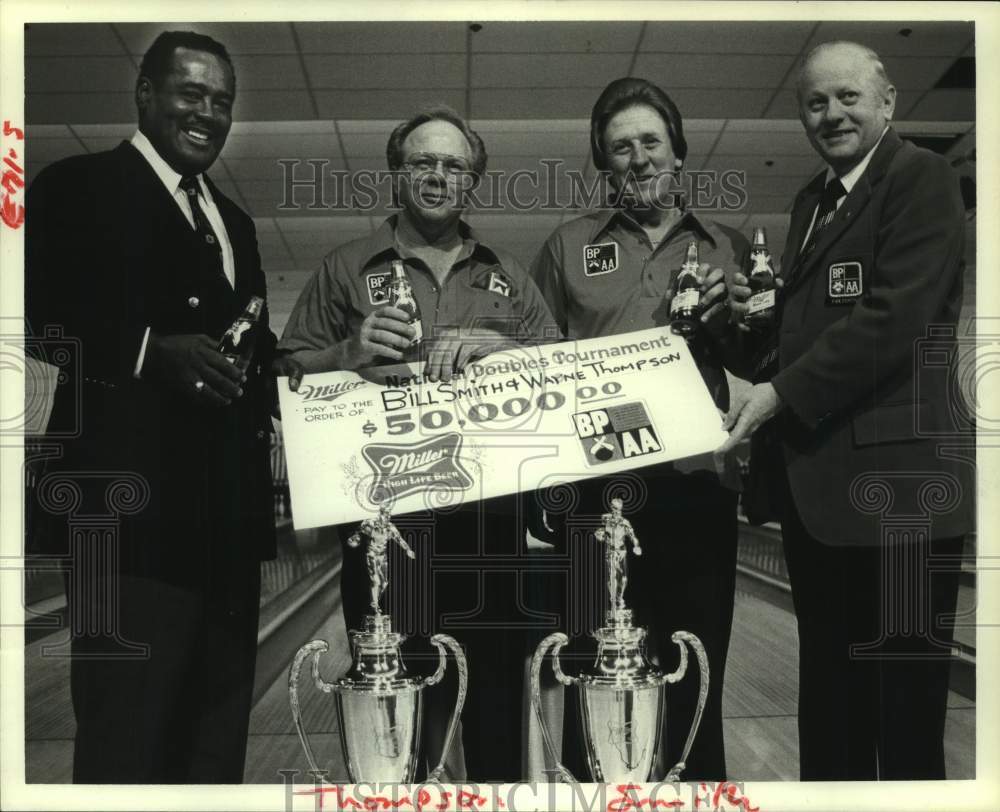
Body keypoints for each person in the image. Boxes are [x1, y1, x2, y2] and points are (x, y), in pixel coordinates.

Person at [25, 30, 299, 783]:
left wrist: (333, 369)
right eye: (190, 93)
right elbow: (38, 311)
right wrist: (150, 348)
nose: (207, 113)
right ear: (145, 93)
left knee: (213, 747)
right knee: (127, 739)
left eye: (222, 102)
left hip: (229, 526)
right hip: (124, 522)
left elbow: (251, 354)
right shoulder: (73, 187)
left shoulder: (234, 223)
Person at [276, 106, 558, 780]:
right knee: (395, 723)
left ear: (473, 181)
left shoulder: (510, 276)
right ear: (397, 174)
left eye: (454, 165)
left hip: (491, 532)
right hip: (383, 539)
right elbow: (283, 375)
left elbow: (564, 372)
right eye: (423, 162)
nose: (438, 175)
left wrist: (506, 347)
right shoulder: (346, 268)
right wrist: (346, 350)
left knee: (493, 711)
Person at [722, 41, 974, 780]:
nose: (830, 114)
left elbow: (893, 319)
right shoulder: (811, 203)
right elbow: (813, 327)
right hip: (821, 494)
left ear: (887, 100)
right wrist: (753, 324)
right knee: (831, 696)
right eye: (815, 101)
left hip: (902, 493)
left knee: (903, 708)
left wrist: (775, 394)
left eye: (848, 97)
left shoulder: (922, 178)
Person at [529, 77, 748, 781]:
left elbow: (758, 366)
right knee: (596, 674)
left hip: (697, 489)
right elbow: (537, 367)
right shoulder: (567, 247)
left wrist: (737, 326)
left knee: (695, 670)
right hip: (597, 499)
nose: (638, 158)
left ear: (678, 154)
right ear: (604, 164)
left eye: (651, 141)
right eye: (620, 147)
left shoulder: (729, 247)